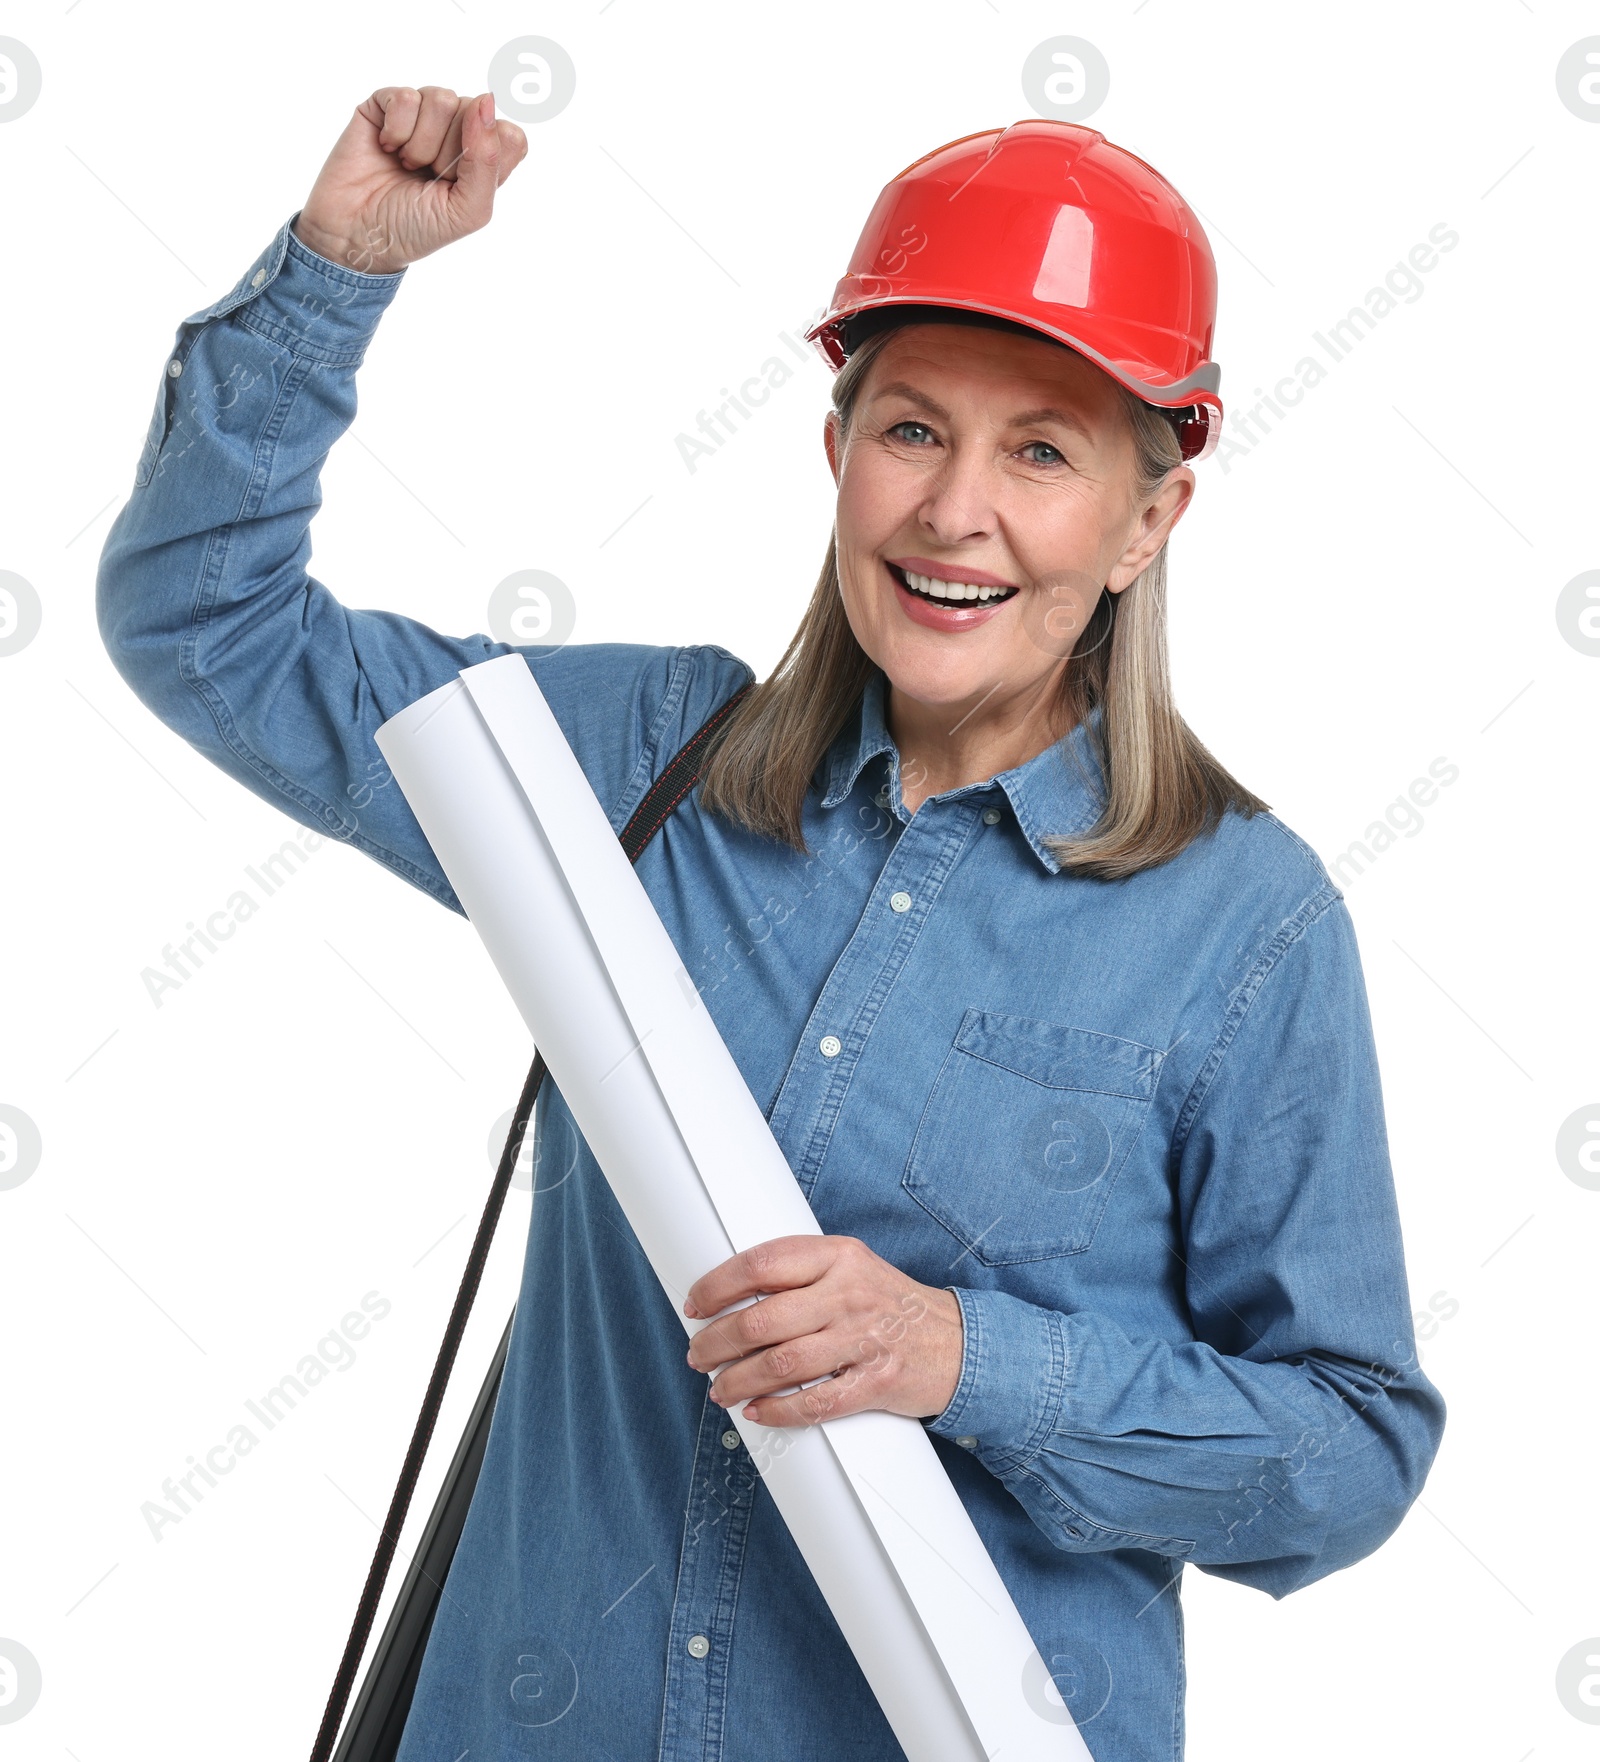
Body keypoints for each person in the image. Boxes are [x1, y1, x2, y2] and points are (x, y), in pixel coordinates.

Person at [96, 86, 1446, 1762]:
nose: (956, 512)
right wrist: (334, 274)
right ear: (836, 450)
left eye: (1041, 450)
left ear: (1148, 517)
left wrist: (961, 1356)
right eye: (911, 429)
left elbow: (1345, 1455)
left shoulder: (1245, 923)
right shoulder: (635, 773)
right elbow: (203, 625)